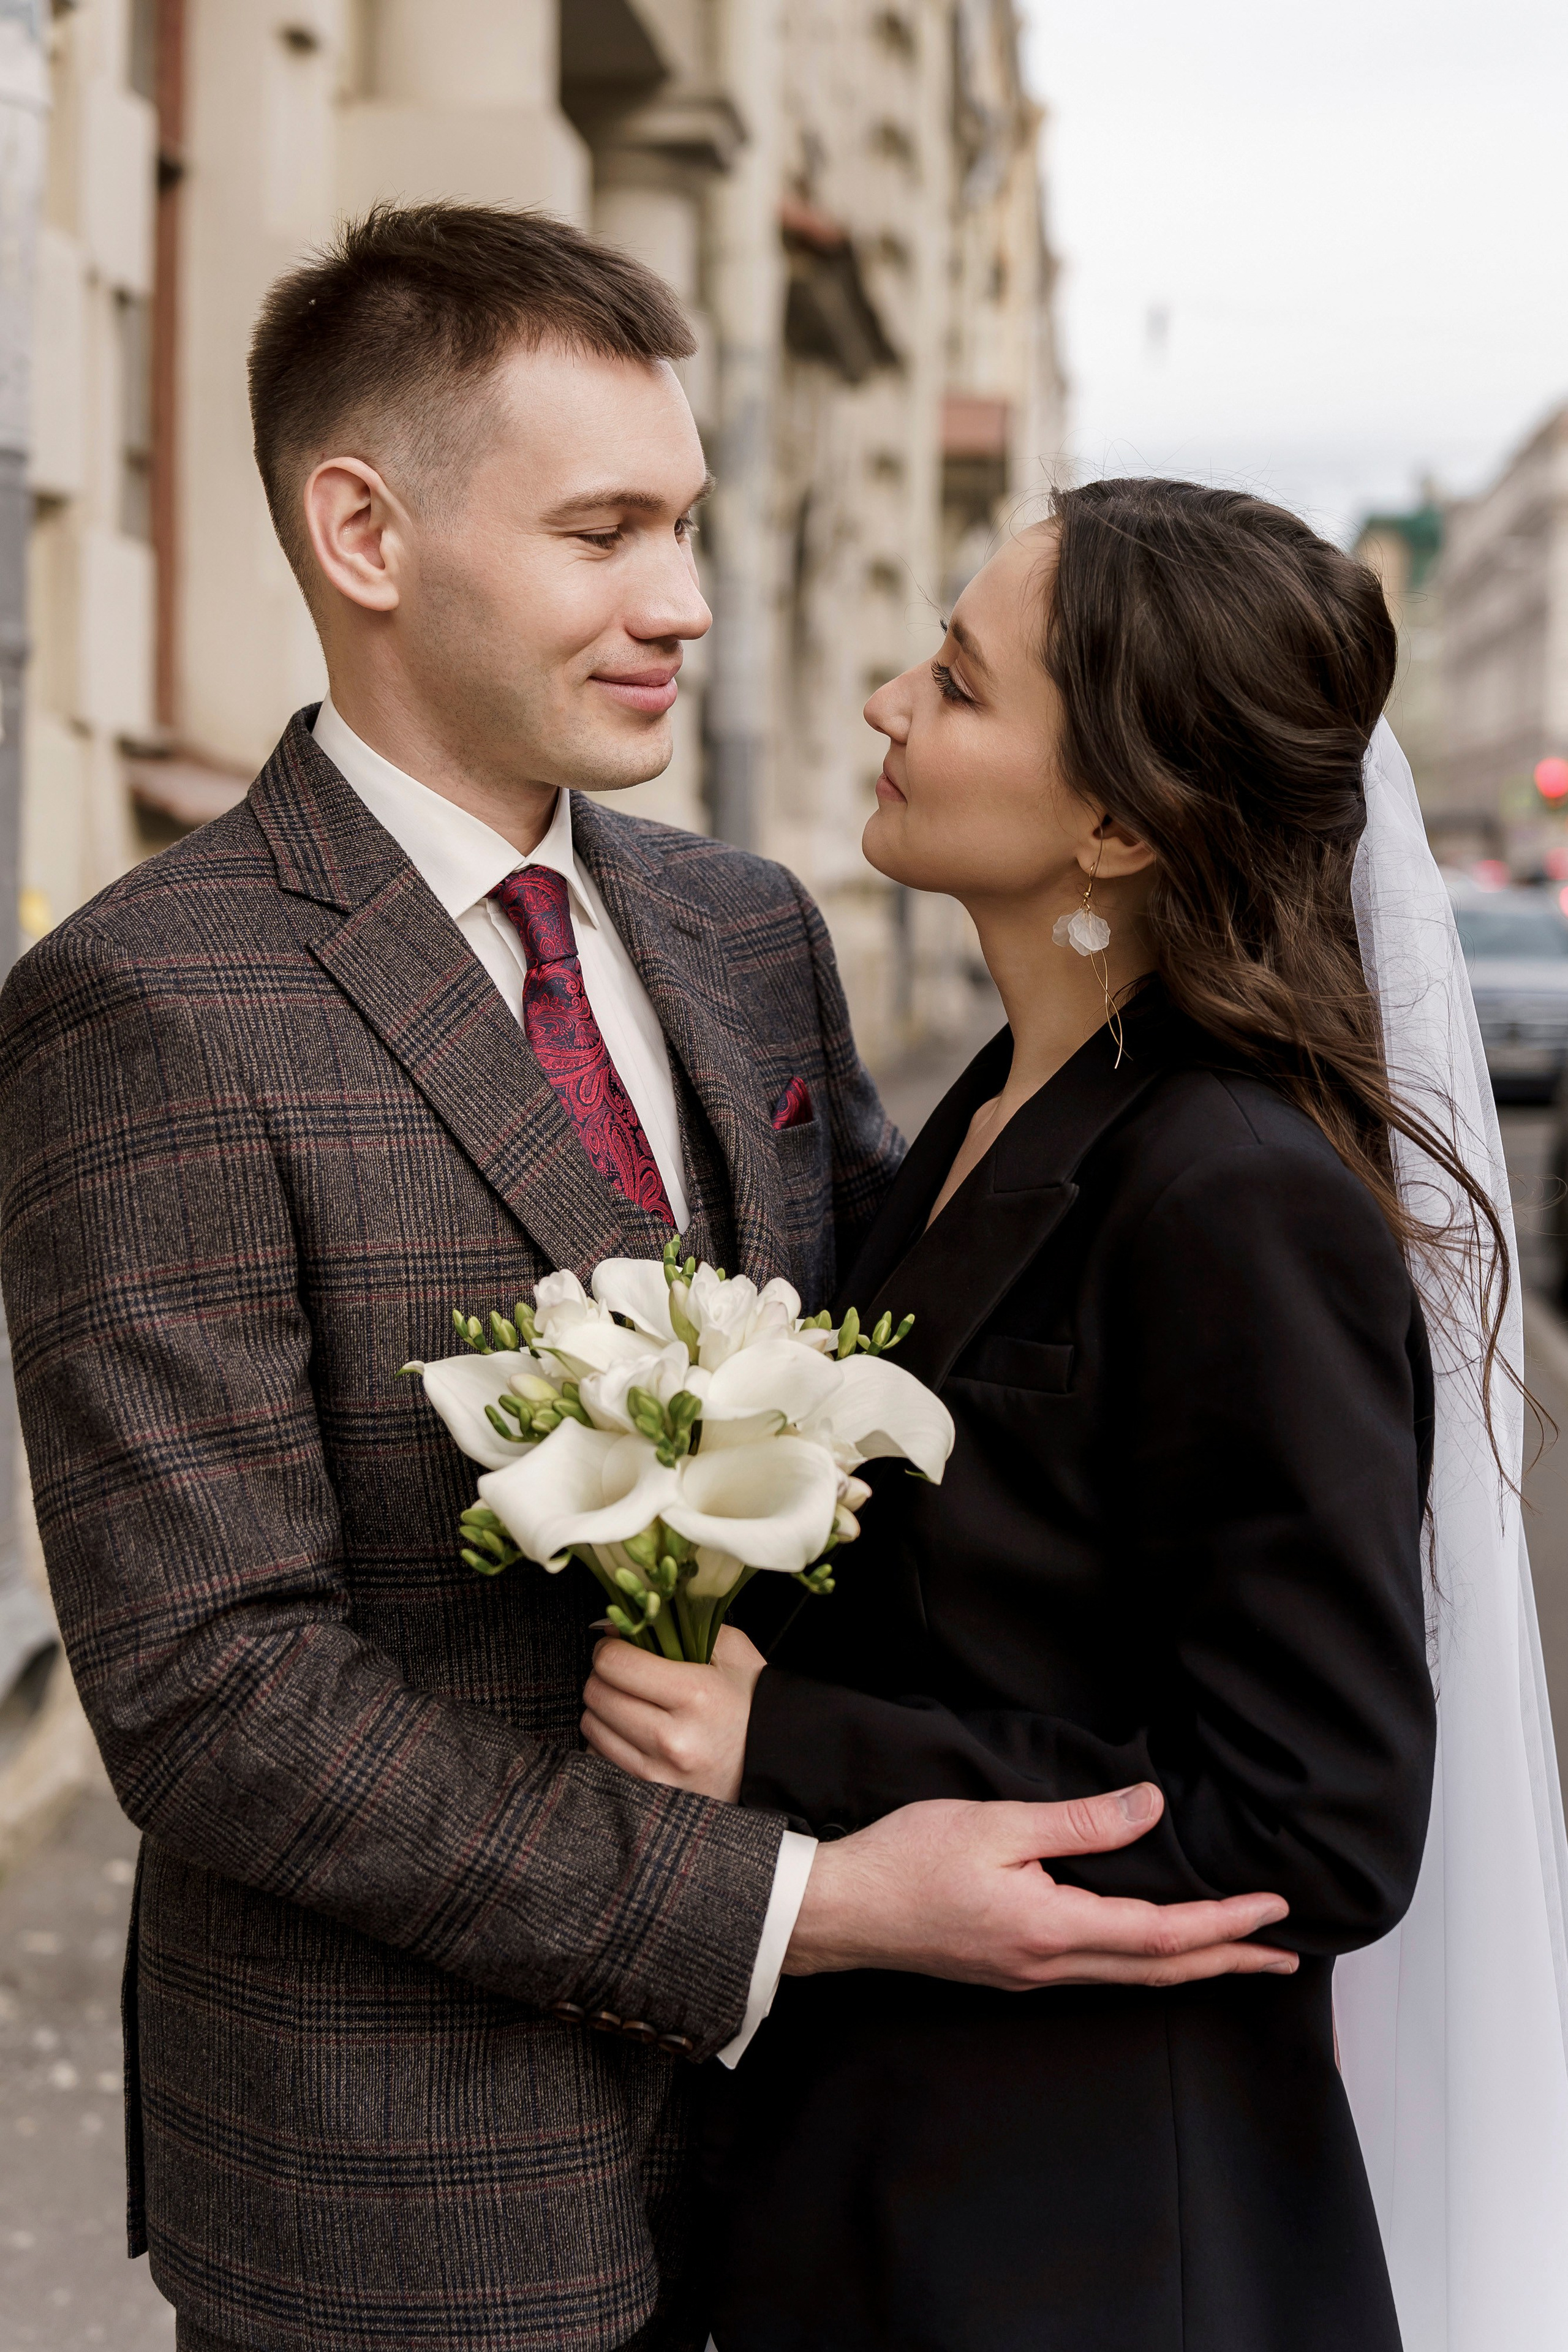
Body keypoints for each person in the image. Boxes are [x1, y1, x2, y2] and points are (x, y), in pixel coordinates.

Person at [0, 218, 1292, 2352]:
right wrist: (811, 1900)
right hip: (406, 2203)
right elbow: (217, 1697)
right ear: (365, 531)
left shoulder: (741, 928)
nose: (683, 603)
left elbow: (912, 1405)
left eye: (684, 523)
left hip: (834, 2168)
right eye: (605, 531)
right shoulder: (150, 1005)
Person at [578, 478, 1464, 2350]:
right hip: (879, 2188)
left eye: (960, 685)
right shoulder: (985, 1114)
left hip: (1092, 2237)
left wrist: (789, 1744)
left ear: (1123, 824)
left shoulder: (1236, 1185)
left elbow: (1323, 1821)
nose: (885, 705)